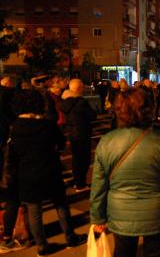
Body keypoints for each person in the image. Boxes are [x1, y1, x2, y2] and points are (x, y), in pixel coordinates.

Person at [90, 88, 160, 257]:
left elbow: (98, 185)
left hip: (120, 212)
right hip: (157, 210)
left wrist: (98, 217)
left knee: (123, 252)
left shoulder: (106, 142)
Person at [8, 89, 87, 256]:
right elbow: (61, 144)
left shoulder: (15, 127)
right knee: (61, 205)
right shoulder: (48, 125)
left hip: (27, 174)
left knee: (35, 211)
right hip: (50, 170)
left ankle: (42, 246)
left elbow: (13, 155)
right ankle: (70, 237)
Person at [59, 79, 97, 192]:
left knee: (76, 158)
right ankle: (80, 184)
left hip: (72, 131)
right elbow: (92, 115)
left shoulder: (65, 100)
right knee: (83, 159)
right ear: (79, 88)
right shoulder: (80, 102)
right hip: (82, 131)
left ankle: (77, 182)